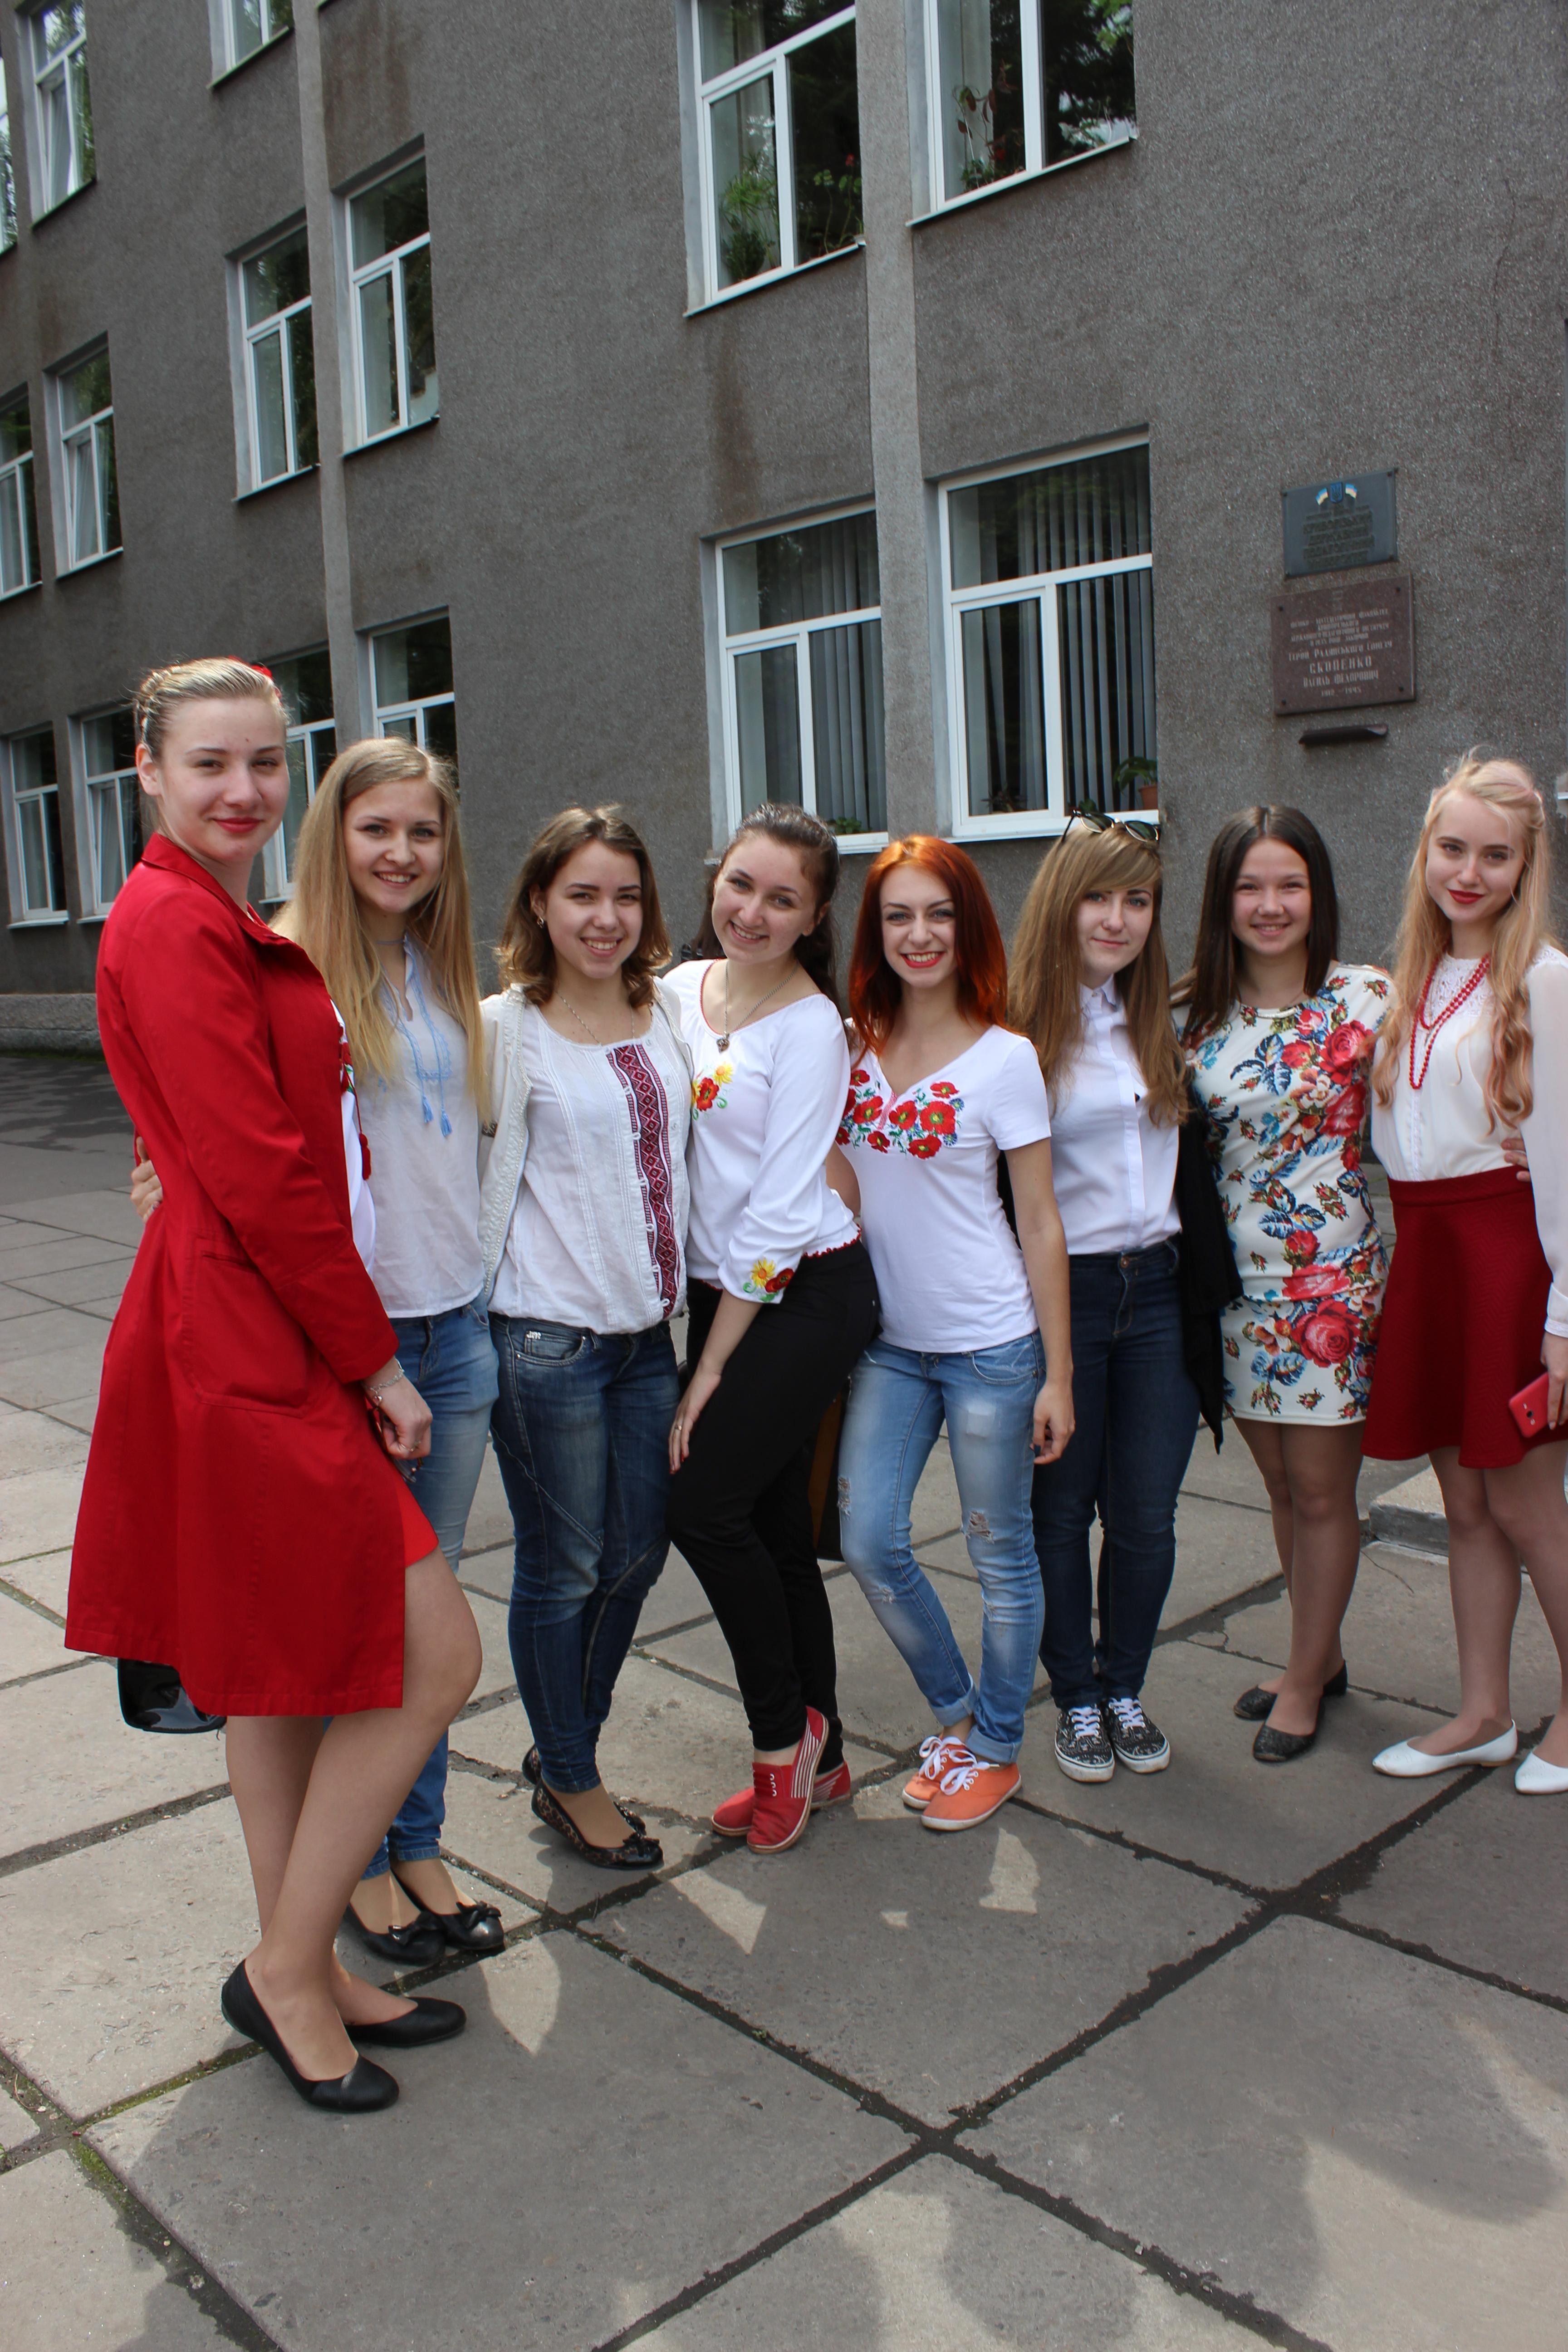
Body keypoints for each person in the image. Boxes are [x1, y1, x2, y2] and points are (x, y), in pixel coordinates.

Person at [68, 659, 480, 2115]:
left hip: (248, 1317)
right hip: (252, 1337)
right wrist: (374, 1362)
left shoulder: (214, 915)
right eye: (209, 764)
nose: (243, 789)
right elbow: (260, 1172)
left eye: (262, 762)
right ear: (148, 771)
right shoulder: (176, 923)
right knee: (434, 1658)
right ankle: (291, 1967)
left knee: (283, 1670)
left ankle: (300, 1962)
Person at [132, 735, 506, 1964]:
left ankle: (413, 1845)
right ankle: (350, 1887)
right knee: (349, 1636)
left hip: (453, 1327)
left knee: (421, 1616)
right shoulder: (282, 957)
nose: (401, 852)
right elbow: (228, 1134)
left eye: (424, 831)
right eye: (375, 828)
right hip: (344, 1345)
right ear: (331, 833)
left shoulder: (445, 969)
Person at [833, 837, 1073, 1828]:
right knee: (867, 1541)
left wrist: (1059, 1375)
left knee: (999, 1557)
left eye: (939, 914)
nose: (920, 934)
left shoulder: (1006, 1059)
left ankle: (998, 1749)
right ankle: (960, 1718)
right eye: (899, 915)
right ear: (875, 931)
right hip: (889, 1346)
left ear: (968, 926)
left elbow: (1041, 1220)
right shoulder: (850, 1046)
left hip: (991, 1346)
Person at [664, 804, 879, 1855]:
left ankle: (778, 1741)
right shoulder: (674, 991)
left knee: (700, 1507)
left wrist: (710, 1367)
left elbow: (786, 1211)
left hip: (809, 1291)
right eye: (741, 885)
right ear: (717, 879)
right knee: (775, 1527)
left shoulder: (811, 1028)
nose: (753, 912)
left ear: (814, 917)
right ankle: (824, 1756)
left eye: (782, 899)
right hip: (726, 1291)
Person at [482, 807, 691, 1868]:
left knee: (639, 1553)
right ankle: (571, 1774)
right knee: (563, 1566)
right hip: (546, 1344)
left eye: (626, 896)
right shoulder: (502, 1029)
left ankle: (563, 1743)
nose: (606, 918)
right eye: (582, 896)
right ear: (539, 902)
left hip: (648, 1341)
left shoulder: (671, 1010)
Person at [1363, 755, 1568, 1793]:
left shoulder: (1546, 980)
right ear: (1426, 852)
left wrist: (1565, 1320)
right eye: (1453, 849)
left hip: (1510, 1263)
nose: (1470, 873)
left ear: (1527, 866)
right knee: (1469, 1509)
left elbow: (1567, 1165)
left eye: (1496, 856)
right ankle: (1485, 1714)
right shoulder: (1406, 980)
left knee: (1531, 1508)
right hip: (1429, 1254)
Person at [1179, 807, 1390, 1762]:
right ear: (1223, 900)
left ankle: (1303, 1682)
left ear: (1318, 894)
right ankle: (1321, 1653)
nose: (1271, 906)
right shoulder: (1194, 1017)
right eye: (1250, 887)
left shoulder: (1367, 999)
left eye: (1290, 885)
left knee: (1322, 1492)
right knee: (1277, 1484)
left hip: (1331, 1286)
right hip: (1234, 1289)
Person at [1010, 813, 1203, 1784]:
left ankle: (1124, 1685)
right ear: (1062, 902)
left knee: (1145, 1514)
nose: (1118, 919)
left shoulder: (1162, 1021)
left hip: (1158, 1290)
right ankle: (1075, 1695)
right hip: (1068, 1295)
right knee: (1058, 1513)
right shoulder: (1016, 1032)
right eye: (1098, 896)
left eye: (1138, 900)